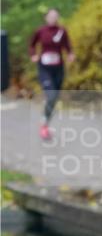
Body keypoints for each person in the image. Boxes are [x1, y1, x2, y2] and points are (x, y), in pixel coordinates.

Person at [29, 8, 75, 140]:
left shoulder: (62, 31)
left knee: (54, 98)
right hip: (44, 68)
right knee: (51, 95)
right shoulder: (40, 31)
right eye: (51, 16)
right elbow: (31, 45)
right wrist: (33, 55)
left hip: (58, 68)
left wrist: (71, 54)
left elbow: (67, 46)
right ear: (46, 17)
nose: (53, 18)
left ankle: (45, 122)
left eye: (56, 16)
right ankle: (44, 125)